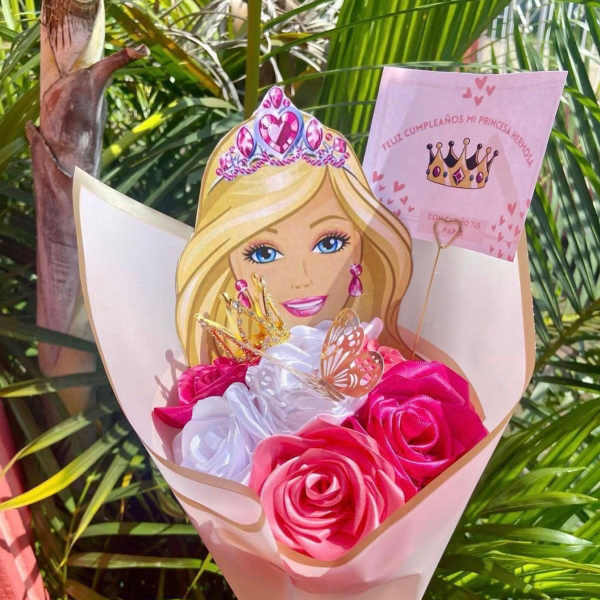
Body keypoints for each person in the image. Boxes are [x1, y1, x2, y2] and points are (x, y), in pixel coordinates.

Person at [176, 86, 413, 367]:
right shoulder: (212, 381)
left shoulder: (409, 372)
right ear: (231, 263)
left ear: (361, 246)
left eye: (329, 243)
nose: (301, 278)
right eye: (264, 253)